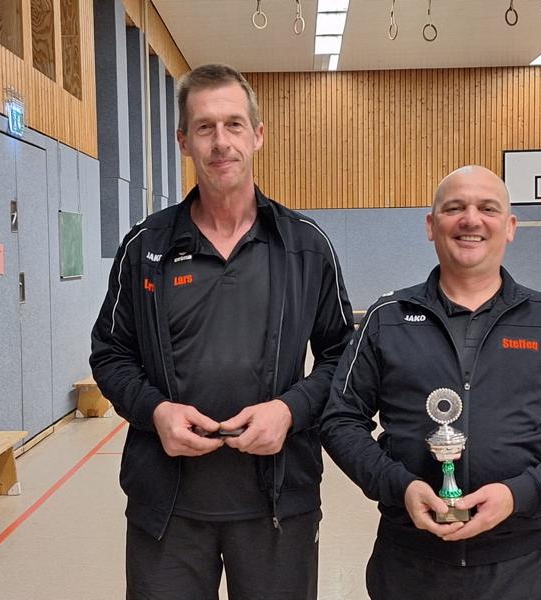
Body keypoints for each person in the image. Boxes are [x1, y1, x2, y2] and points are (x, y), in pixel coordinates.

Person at [90, 63, 353, 599]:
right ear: (184, 141)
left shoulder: (305, 246)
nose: (221, 142)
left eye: (234, 124)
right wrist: (155, 411)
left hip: (280, 504)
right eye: (205, 127)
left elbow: (343, 357)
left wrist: (290, 410)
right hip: (167, 508)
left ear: (257, 135)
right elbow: (110, 354)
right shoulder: (145, 247)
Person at [320, 165, 541, 599]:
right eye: (454, 208)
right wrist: (400, 486)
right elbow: (340, 420)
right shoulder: (387, 319)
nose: (471, 219)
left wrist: (520, 495)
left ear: (510, 227)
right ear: (431, 225)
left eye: (488, 208)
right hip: (408, 566)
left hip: (522, 568)